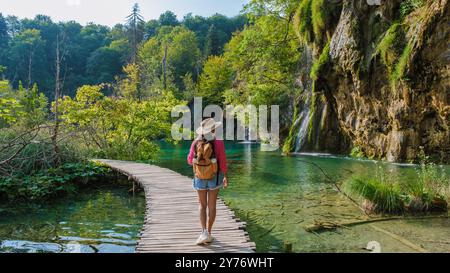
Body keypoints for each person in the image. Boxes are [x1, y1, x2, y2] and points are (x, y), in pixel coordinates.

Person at [187, 118, 228, 245]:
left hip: (199, 177)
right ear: (213, 129)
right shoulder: (219, 142)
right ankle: (209, 233)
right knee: (212, 206)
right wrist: (225, 175)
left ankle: (203, 231)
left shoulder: (196, 142)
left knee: (202, 205)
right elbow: (222, 161)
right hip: (214, 177)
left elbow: (189, 160)